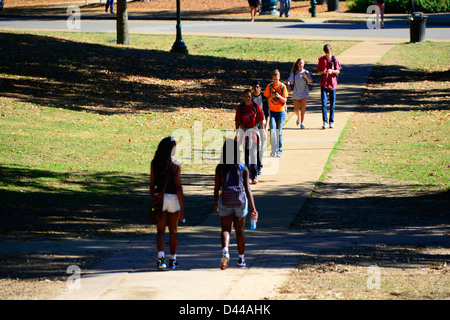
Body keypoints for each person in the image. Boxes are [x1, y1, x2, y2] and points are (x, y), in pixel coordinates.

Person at [214, 139, 258, 270]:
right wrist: (254, 208)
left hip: (225, 201)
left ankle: (225, 251)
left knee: (226, 229)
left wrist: (216, 204)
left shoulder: (220, 168)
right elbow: (248, 189)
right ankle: (241, 259)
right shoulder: (242, 167)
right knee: (240, 231)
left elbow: (216, 189)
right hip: (240, 202)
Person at [150, 137, 185, 270]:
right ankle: (173, 259)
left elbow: (152, 184)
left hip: (160, 198)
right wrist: (182, 207)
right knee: (173, 231)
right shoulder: (175, 164)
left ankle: (161, 259)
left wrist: (153, 199)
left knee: (160, 231)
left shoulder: (154, 163)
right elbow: (178, 187)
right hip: (173, 199)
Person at [235, 89, 265, 184]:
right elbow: (237, 121)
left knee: (254, 154)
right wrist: (237, 132)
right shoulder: (240, 107)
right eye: (246, 96)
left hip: (254, 130)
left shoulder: (256, 107)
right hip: (244, 131)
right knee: (246, 154)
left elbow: (260, 120)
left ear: (252, 97)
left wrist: (263, 131)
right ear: (243, 97)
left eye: (249, 96)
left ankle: (254, 175)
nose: (247, 98)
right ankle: (247, 175)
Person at [264, 69, 288, 157]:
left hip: (281, 112)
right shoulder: (269, 87)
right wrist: (272, 96)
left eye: (277, 79)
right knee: (273, 130)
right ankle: (273, 149)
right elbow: (266, 100)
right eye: (274, 79)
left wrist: (278, 96)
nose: (275, 81)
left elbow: (285, 100)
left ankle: (279, 150)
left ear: (279, 78)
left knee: (279, 131)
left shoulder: (283, 87)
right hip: (271, 112)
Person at [317, 44, 342, 129]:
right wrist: (324, 72)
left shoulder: (334, 59)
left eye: (328, 52)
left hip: (332, 84)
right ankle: (325, 121)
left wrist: (332, 71)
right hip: (324, 83)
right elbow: (318, 72)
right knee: (324, 103)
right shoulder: (321, 59)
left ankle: (331, 121)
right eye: (326, 53)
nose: (327, 54)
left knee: (332, 104)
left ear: (331, 51)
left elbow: (338, 71)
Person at [287, 58, 312, 129]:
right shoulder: (294, 73)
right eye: (299, 64)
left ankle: (302, 123)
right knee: (296, 110)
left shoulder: (306, 72)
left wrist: (305, 76)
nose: (301, 65)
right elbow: (289, 80)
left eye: (302, 63)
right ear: (297, 65)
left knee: (303, 108)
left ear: (303, 64)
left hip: (304, 93)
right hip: (296, 93)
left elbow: (310, 80)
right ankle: (299, 117)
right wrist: (288, 86)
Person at [251, 80, 269, 175]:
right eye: (254, 87)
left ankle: (259, 166)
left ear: (260, 88)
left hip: (262, 124)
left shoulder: (264, 98)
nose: (256, 88)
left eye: (257, 86)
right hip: (253, 125)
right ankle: (253, 166)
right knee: (253, 145)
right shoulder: (250, 98)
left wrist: (266, 127)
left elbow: (267, 113)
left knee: (261, 146)